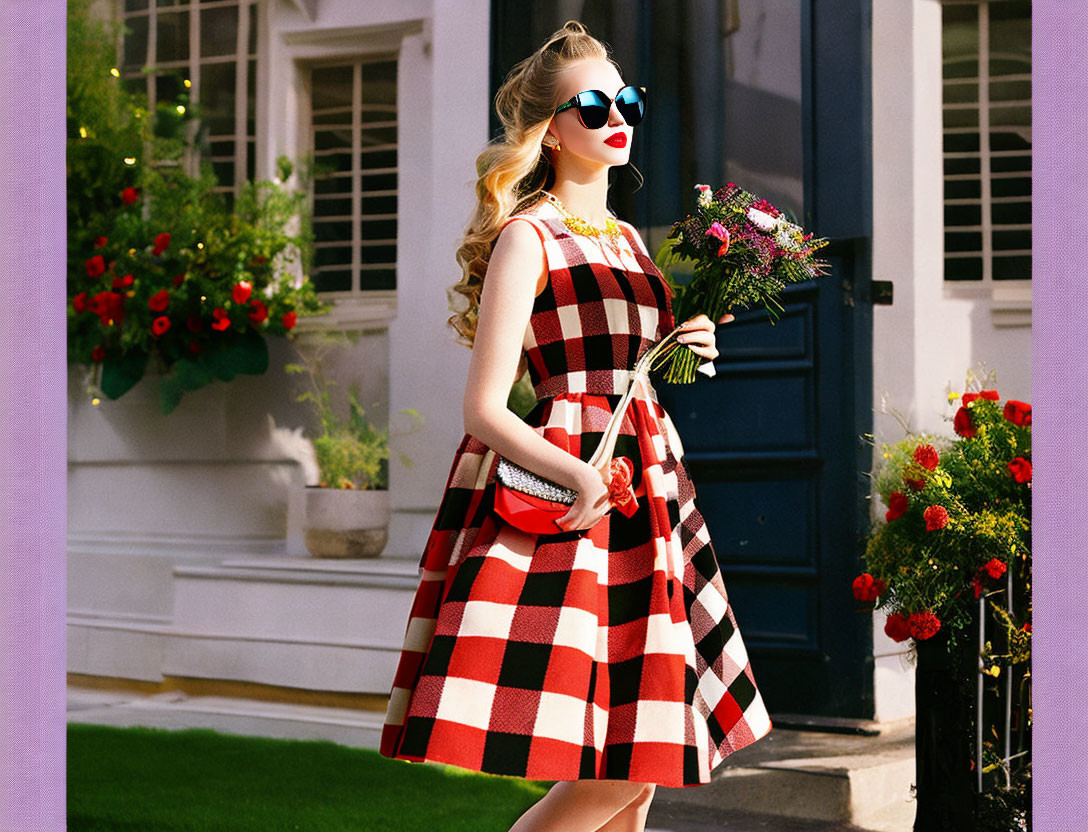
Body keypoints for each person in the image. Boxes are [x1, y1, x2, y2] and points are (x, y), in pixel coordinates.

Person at [379, 20, 773, 831]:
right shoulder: (529, 235)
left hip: (650, 487)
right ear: (549, 131)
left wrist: (684, 346)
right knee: (627, 761)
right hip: (577, 496)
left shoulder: (629, 239)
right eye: (592, 105)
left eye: (624, 99)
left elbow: (628, 369)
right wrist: (580, 475)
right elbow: (485, 407)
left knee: (644, 759)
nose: (617, 115)